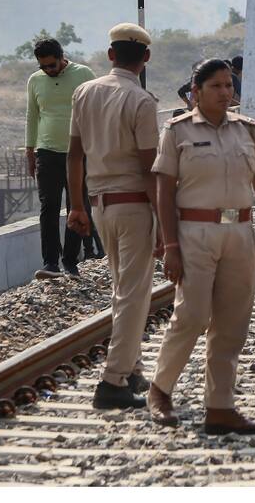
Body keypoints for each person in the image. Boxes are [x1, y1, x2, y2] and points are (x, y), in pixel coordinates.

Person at [147, 58, 255, 433]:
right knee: (191, 316)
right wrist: (170, 244)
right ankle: (160, 389)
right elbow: (164, 189)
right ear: (196, 92)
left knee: (232, 323)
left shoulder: (246, 130)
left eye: (229, 85)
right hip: (194, 234)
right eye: (217, 86)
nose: (227, 92)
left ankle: (220, 407)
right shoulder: (177, 132)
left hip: (239, 234)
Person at [65, 23, 160, 410]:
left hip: (100, 204)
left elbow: (74, 154)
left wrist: (75, 206)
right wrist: (166, 223)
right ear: (146, 58)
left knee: (123, 287)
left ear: (110, 55)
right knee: (134, 295)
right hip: (135, 205)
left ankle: (132, 367)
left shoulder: (83, 92)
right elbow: (151, 168)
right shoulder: (141, 102)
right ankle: (113, 381)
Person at [26, 37, 101, 278]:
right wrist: (29, 149)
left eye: (52, 65)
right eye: (43, 67)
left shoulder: (84, 74)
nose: (49, 71)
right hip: (47, 152)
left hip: (78, 153)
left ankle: (70, 261)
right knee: (48, 207)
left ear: (62, 58)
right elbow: (32, 115)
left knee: (76, 205)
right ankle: (50, 263)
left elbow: (97, 110)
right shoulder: (35, 81)